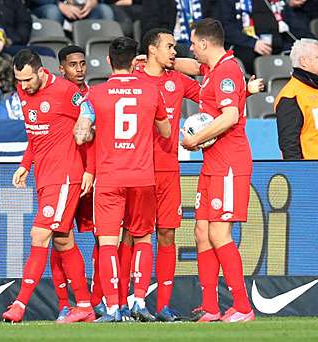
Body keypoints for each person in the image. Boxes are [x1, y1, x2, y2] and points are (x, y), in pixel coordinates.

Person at [76, 36, 172, 322]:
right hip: (143, 177)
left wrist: (93, 131)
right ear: (135, 61)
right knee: (142, 237)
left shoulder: (95, 94)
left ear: (108, 61)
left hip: (109, 178)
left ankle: (114, 307)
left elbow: (81, 134)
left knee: (107, 242)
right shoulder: (151, 91)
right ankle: (140, 302)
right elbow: (166, 132)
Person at [3, 49, 94, 324]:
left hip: (66, 174)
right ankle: (85, 306)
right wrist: (24, 165)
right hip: (44, 177)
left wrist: (90, 169)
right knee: (63, 240)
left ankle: (19, 305)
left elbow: (91, 127)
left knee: (39, 234)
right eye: (19, 80)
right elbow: (35, 134)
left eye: (28, 80)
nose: (23, 86)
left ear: (41, 72)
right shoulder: (23, 92)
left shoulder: (67, 92)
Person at [181, 18, 255, 323]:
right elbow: (190, 66)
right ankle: (210, 306)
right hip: (213, 162)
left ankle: (242, 306)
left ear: (203, 43)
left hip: (229, 163)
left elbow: (230, 116)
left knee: (218, 232)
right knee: (201, 232)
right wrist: (165, 61)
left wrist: (195, 140)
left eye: (192, 43)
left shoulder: (226, 71)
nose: (190, 48)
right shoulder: (212, 70)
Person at [126, 28, 200, 322]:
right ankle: (132, 301)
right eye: (169, 47)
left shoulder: (177, 81)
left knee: (167, 234)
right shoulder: (132, 80)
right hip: (138, 169)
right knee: (134, 236)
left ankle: (163, 306)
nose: (175, 51)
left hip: (169, 169)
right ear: (152, 49)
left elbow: (209, 87)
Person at [50, 45, 104, 321]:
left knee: (100, 236)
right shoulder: (57, 96)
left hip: (91, 176)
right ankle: (63, 303)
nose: (80, 69)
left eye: (82, 63)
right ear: (62, 68)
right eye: (73, 65)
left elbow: (95, 140)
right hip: (64, 176)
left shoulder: (94, 95)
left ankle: (95, 300)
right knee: (59, 236)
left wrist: (92, 171)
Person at [29, 0, 115, 27]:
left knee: (105, 11)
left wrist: (95, 1)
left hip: (84, 8)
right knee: (53, 12)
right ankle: (57, 48)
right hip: (52, 6)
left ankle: (100, 51)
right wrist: (60, 4)